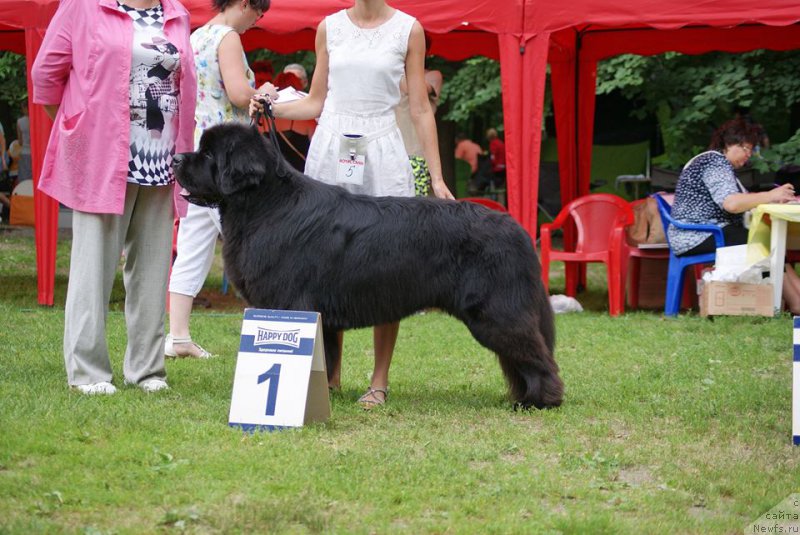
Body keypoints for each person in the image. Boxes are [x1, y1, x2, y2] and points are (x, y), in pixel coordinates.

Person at [251, 0, 454, 408]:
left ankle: (379, 380)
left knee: (389, 264)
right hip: (330, 147)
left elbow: (418, 107)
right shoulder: (328, 26)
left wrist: (436, 177)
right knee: (323, 262)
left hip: (382, 149)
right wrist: (270, 106)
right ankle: (329, 375)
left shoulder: (408, 29)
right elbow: (314, 101)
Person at [32, 0, 197, 394]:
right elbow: (46, 75)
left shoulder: (176, 13)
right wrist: (79, 124)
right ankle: (88, 372)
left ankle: (147, 370)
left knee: (153, 270)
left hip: (161, 159)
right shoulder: (84, 7)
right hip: (103, 157)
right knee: (94, 267)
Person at [165, 0, 275, 359]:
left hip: (199, 154)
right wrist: (267, 92)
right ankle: (267, 331)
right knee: (253, 244)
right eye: (258, 14)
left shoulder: (196, 36)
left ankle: (178, 335)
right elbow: (239, 95)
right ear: (244, 4)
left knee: (193, 244)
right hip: (226, 161)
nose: (255, 22)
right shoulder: (227, 37)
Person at [669, 117, 800, 312]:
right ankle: (796, 303)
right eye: (746, 149)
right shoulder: (713, 162)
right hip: (696, 235)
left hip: (706, 232)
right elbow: (732, 203)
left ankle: (796, 298)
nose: (748, 155)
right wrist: (770, 195)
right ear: (730, 144)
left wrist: (776, 198)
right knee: (765, 243)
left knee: (772, 241)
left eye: (750, 150)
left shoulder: (718, 165)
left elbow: (743, 201)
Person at [395, 31, 442, 196]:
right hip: (391, 152)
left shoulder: (432, 76)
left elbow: (411, 88)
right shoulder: (392, 73)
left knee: (416, 208)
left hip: (417, 154)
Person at [16, 101, 31, 183]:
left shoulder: (19, 122)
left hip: (25, 151)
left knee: (25, 177)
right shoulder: (35, 120)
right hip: (35, 152)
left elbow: (20, 141)